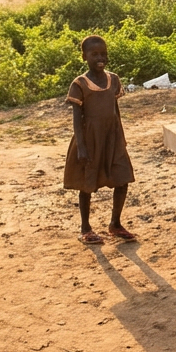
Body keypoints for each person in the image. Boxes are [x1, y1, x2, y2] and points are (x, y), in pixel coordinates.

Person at [65, 35, 137, 245]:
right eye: (94, 54)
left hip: (112, 137)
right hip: (90, 139)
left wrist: (121, 137)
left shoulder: (113, 79)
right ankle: (85, 228)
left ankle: (115, 223)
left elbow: (115, 110)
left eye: (103, 54)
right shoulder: (80, 84)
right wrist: (81, 147)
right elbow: (77, 119)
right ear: (84, 57)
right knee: (87, 183)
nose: (100, 58)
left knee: (123, 178)